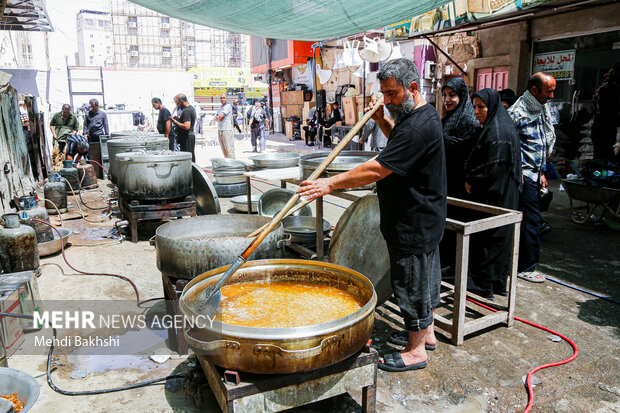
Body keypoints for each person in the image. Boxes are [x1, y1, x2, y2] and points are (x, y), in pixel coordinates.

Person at [297, 58, 446, 372]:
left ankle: (416, 350)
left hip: (414, 219)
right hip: (422, 215)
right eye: (385, 94)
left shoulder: (420, 125)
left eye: (392, 94)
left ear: (414, 88)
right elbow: (398, 144)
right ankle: (427, 333)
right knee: (423, 278)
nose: (387, 100)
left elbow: (379, 167)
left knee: (410, 282)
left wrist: (329, 183)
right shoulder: (418, 115)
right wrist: (381, 119)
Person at [465, 88, 521, 299]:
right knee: (500, 239)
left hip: (494, 195)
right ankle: (497, 283)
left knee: (489, 239)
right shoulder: (501, 126)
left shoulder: (496, 132)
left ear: (492, 106)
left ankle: (484, 286)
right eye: (475, 107)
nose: (477, 111)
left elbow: (493, 168)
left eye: (481, 107)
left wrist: (473, 182)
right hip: (506, 193)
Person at [508, 72, 557, 283]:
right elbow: (510, 146)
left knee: (531, 220)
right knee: (531, 222)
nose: (552, 96)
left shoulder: (541, 109)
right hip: (524, 177)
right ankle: (526, 267)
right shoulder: (517, 112)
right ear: (534, 91)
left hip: (535, 174)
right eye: (549, 91)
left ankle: (522, 263)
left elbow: (540, 144)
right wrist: (518, 172)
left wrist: (543, 171)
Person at [441, 77, 479, 199]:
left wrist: (442, 137)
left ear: (461, 96)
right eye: (444, 95)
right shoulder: (448, 118)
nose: (447, 100)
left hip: (461, 179)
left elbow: (466, 148)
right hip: (447, 175)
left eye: (452, 95)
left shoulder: (468, 120)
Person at [591, 63, 620, 161]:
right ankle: (601, 174)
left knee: (600, 155)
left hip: (600, 126)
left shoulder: (603, 86)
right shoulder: (611, 89)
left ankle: (598, 173)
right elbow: (610, 109)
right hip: (605, 127)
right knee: (604, 157)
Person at [170, 93, 196, 162]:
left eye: (177, 103)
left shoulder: (187, 111)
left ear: (182, 101)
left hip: (187, 137)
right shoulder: (190, 109)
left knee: (187, 158)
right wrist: (178, 119)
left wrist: (176, 122)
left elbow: (187, 126)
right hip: (187, 137)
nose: (177, 105)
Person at [214, 93, 235, 158]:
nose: (222, 99)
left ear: (226, 99)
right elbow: (216, 117)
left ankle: (232, 164)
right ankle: (227, 163)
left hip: (227, 130)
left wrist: (218, 117)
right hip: (220, 129)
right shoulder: (220, 107)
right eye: (221, 98)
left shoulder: (228, 106)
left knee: (229, 149)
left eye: (224, 98)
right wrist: (218, 117)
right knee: (223, 149)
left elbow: (220, 117)